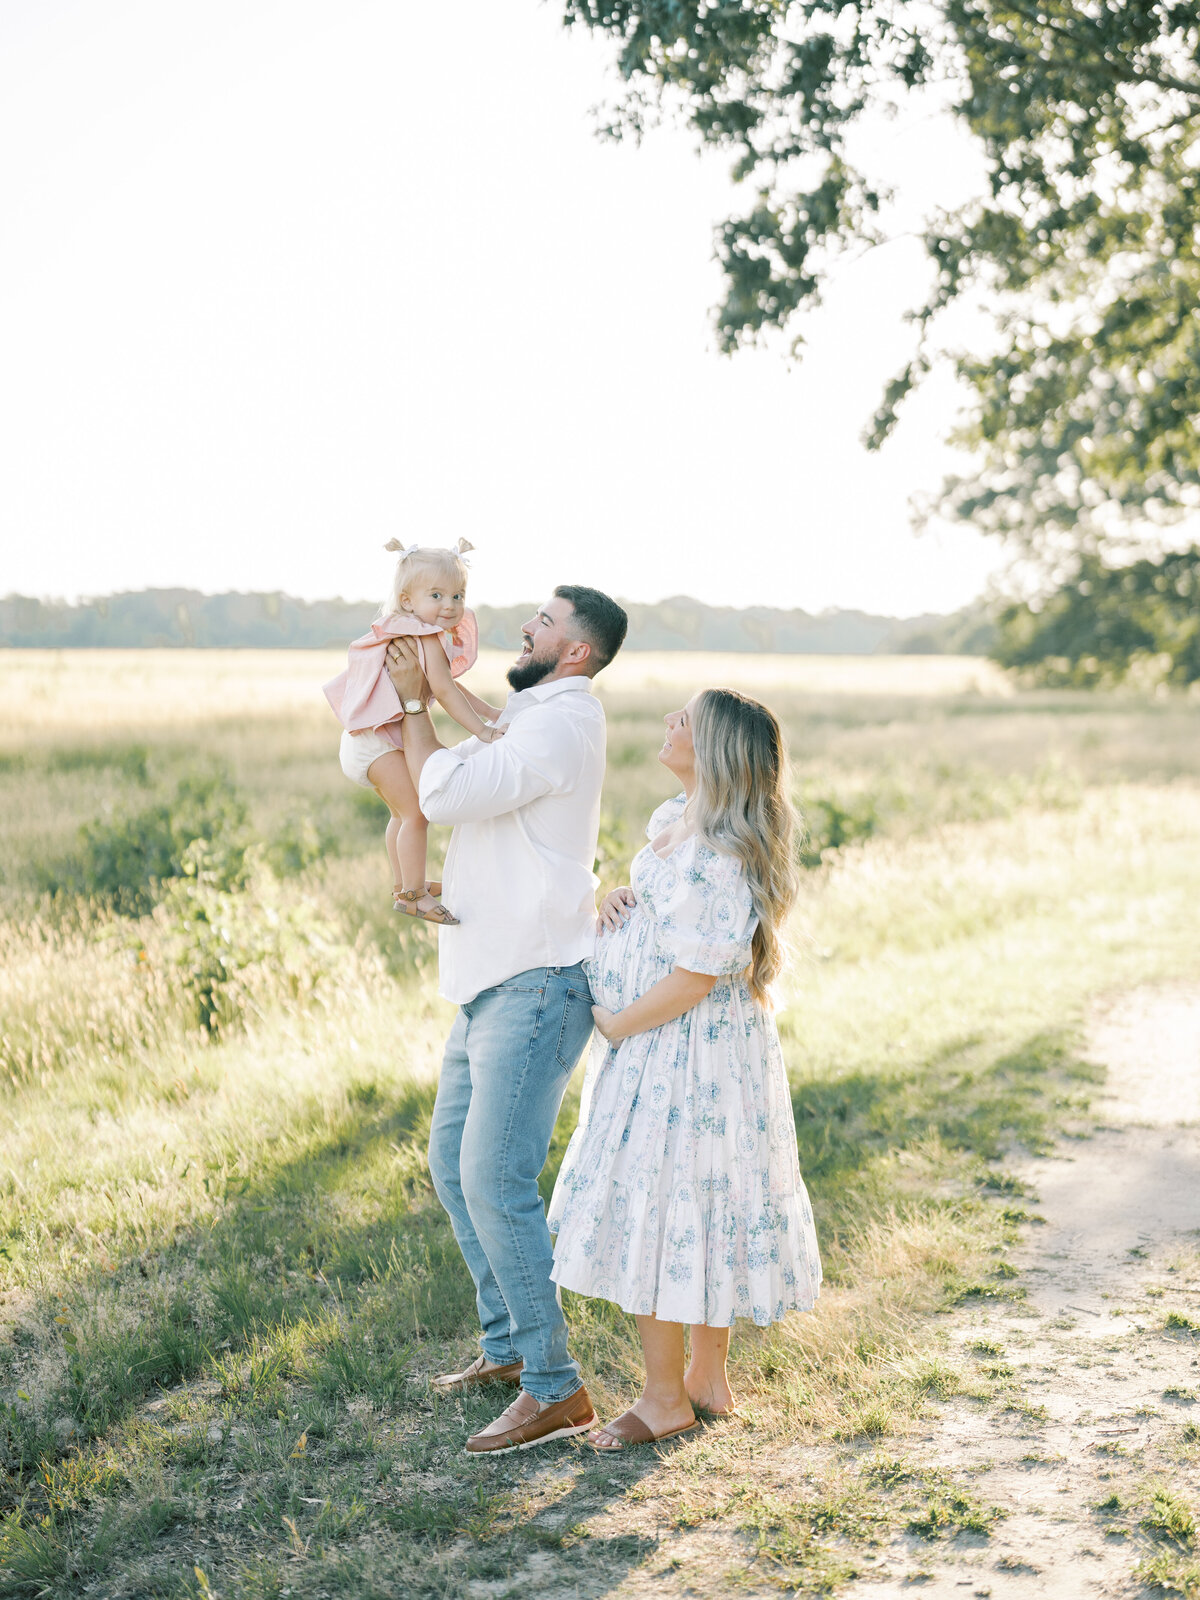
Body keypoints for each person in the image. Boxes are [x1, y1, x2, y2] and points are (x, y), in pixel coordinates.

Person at [384, 585, 629, 1455]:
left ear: (575, 652)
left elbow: (441, 793)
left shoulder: (561, 724)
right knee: (455, 1169)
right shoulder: (534, 714)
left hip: (533, 985)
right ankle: (505, 1345)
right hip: (489, 979)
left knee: (495, 1181)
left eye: (545, 621)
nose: (527, 624)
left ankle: (555, 1387)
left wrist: (419, 702)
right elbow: (468, 747)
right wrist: (437, 700)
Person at [548, 687, 822, 1450]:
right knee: (697, 1200)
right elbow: (674, 921)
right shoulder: (676, 825)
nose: (668, 724)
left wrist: (615, 1023)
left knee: (667, 1205)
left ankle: (666, 1397)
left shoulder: (721, 851)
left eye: (684, 722)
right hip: (684, 1051)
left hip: (683, 1054)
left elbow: (695, 976)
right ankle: (705, 1380)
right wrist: (620, 900)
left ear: (714, 753)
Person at [323, 539, 505, 926]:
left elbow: (446, 683)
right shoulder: (421, 635)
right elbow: (442, 689)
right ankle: (415, 895)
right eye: (436, 595)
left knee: (400, 814)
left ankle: (405, 882)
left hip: (366, 741)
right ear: (407, 600)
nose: (450, 605)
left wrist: (489, 710)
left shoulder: (413, 631)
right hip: (374, 743)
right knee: (417, 814)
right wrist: (483, 730)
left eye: (458, 595)